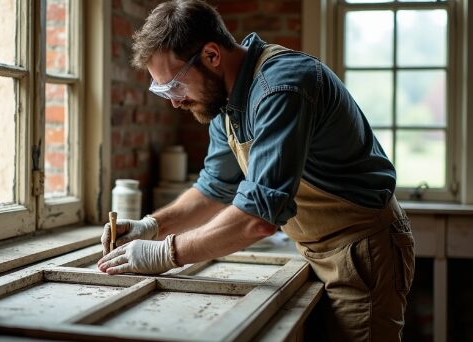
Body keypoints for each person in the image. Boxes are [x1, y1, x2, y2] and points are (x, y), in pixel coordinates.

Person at [97, 0, 415, 340]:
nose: (174, 101)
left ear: (211, 56)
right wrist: (152, 227)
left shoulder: (281, 88)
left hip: (361, 251)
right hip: (314, 248)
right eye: (163, 91)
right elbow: (216, 187)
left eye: (175, 86)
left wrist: (165, 253)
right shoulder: (225, 100)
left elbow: (258, 218)